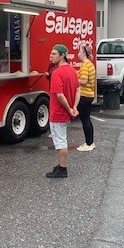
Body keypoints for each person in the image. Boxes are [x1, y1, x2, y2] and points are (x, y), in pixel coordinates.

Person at [46, 44, 80, 178]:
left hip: (58, 113)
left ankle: (62, 169)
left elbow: (59, 95)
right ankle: (60, 165)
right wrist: (74, 108)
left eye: (54, 54)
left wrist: (69, 109)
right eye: (51, 53)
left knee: (61, 142)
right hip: (66, 113)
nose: (51, 57)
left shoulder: (57, 73)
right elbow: (78, 90)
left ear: (62, 56)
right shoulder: (72, 70)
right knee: (62, 139)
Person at [76, 45, 97, 152]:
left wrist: (74, 78)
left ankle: (89, 143)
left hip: (84, 95)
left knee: (85, 120)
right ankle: (90, 142)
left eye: (80, 51)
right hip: (89, 95)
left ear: (84, 53)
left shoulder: (85, 65)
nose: (78, 53)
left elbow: (83, 81)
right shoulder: (90, 64)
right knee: (87, 119)